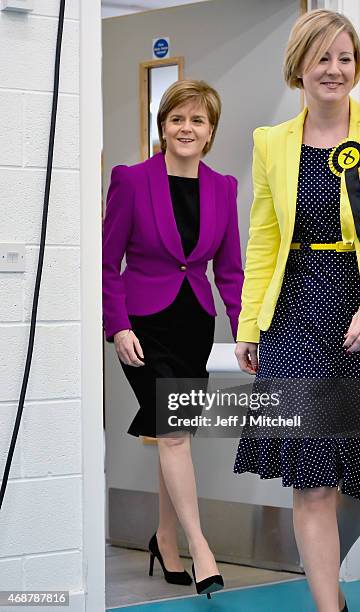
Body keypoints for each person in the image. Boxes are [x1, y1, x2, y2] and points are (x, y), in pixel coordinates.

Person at [234, 9, 360, 612]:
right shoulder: (269, 142)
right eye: (323, 57)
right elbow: (262, 238)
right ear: (299, 66)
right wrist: (249, 322)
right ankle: (329, 607)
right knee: (312, 476)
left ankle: (327, 582)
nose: (335, 69)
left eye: (345, 57)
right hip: (295, 312)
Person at [102, 79, 243, 598]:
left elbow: (230, 271)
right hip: (143, 323)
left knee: (172, 432)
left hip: (192, 322)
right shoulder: (131, 180)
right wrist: (116, 325)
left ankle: (164, 538)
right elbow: (106, 261)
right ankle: (199, 546)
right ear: (162, 127)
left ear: (211, 132)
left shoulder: (223, 187)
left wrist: (245, 329)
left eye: (197, 121)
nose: (186, 129)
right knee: (176, 434)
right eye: (177, 119)